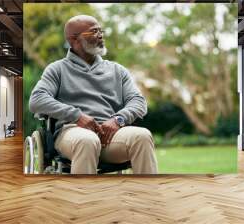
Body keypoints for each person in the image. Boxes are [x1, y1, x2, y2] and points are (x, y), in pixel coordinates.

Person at [29, 15, 158, 174]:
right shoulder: (57, 69)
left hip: (111, 135)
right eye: (94, 32)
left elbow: (138, 101)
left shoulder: (117, 70)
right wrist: (77, 116)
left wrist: (118, 119)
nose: (100, 35)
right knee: (87, 140)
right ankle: (85, 198)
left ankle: (148, 196)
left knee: (142, 136)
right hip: (72, 132)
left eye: (100, 31)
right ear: (73, 39)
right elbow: (37, 100)